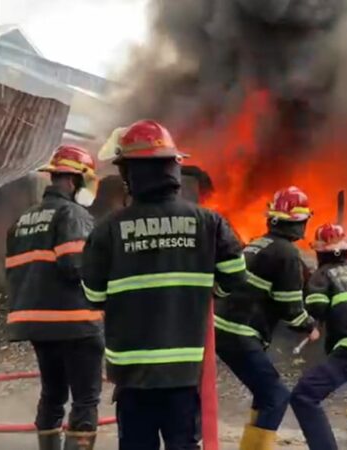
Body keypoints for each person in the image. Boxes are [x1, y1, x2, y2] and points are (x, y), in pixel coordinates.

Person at [81, 119, 247, 450]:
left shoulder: (107, 229)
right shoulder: (209, 222)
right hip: (183, 371)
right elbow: (235, 276)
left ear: (128, 174)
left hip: (131, 373)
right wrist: (204, 293)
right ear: (174, 168)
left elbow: (93, 296)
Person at [5, 145, 103, 450]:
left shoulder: (22, 221)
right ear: (75, 181)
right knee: (85, 398)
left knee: (52, 394)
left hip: (36, 323)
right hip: (75, 322)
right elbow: (76, 266)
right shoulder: (72, 214)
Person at [213, 186, 319, 450]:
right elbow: (289, 306)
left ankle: (255, 443)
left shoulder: (259, 243)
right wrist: (309, 326)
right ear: (299, 222)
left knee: (264, 393)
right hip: (239, 333)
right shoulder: (287, 253)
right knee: (276, 396)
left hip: (223, 328)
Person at [290, 224, 347, 450]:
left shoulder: (321, 275)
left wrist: (309, 320)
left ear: (320, 252)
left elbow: (316, 309)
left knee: (303, 396)